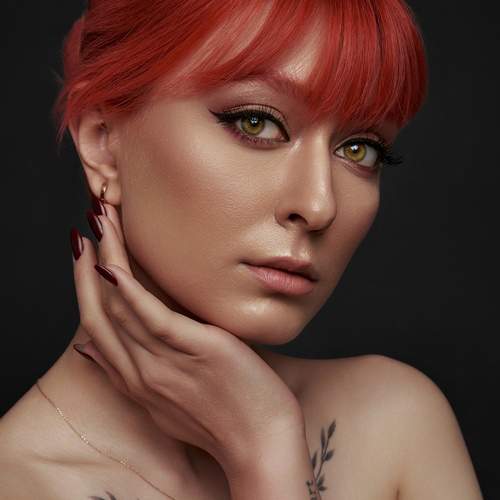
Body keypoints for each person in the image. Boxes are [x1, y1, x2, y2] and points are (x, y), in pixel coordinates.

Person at [0, 1, 483, 499]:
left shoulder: (394, 423)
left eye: (360, 148)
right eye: (256, 122)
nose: (319, 205)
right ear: (103, 143)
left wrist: (265, 448)